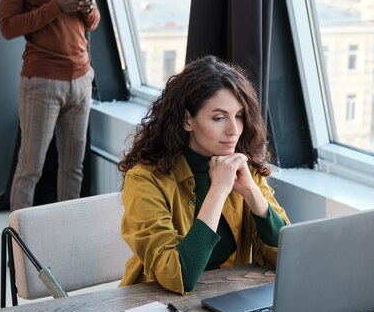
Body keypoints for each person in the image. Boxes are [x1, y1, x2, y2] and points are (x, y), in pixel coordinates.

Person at [119, 55, 289, 295]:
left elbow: (286, 258)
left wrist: (252, 192)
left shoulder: (242, 166)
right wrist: (218, 190)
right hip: (156, 307)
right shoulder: (145, 179)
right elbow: (178, 275)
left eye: (239, 116)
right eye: (219, 118)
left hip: (225, 298)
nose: (234, 130)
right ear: (188, 120)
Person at [0, 0, 100, 211]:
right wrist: (56, 6)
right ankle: (20, 252)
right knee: (30, 170)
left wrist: (86, 8)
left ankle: (65, 244)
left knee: (74, 169)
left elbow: (92, 24)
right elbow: (8, 27)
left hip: (82, 80)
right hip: (41, 82)